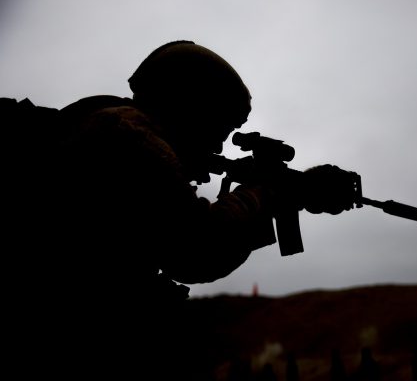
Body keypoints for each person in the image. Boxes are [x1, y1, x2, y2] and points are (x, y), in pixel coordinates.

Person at [5, 40, 357, 378]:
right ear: (190, 106)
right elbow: (197, 250)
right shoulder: (131, 138)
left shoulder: (111, 125)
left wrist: (288, 193)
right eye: (218, 127)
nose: (219, 143)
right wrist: (263, 195)